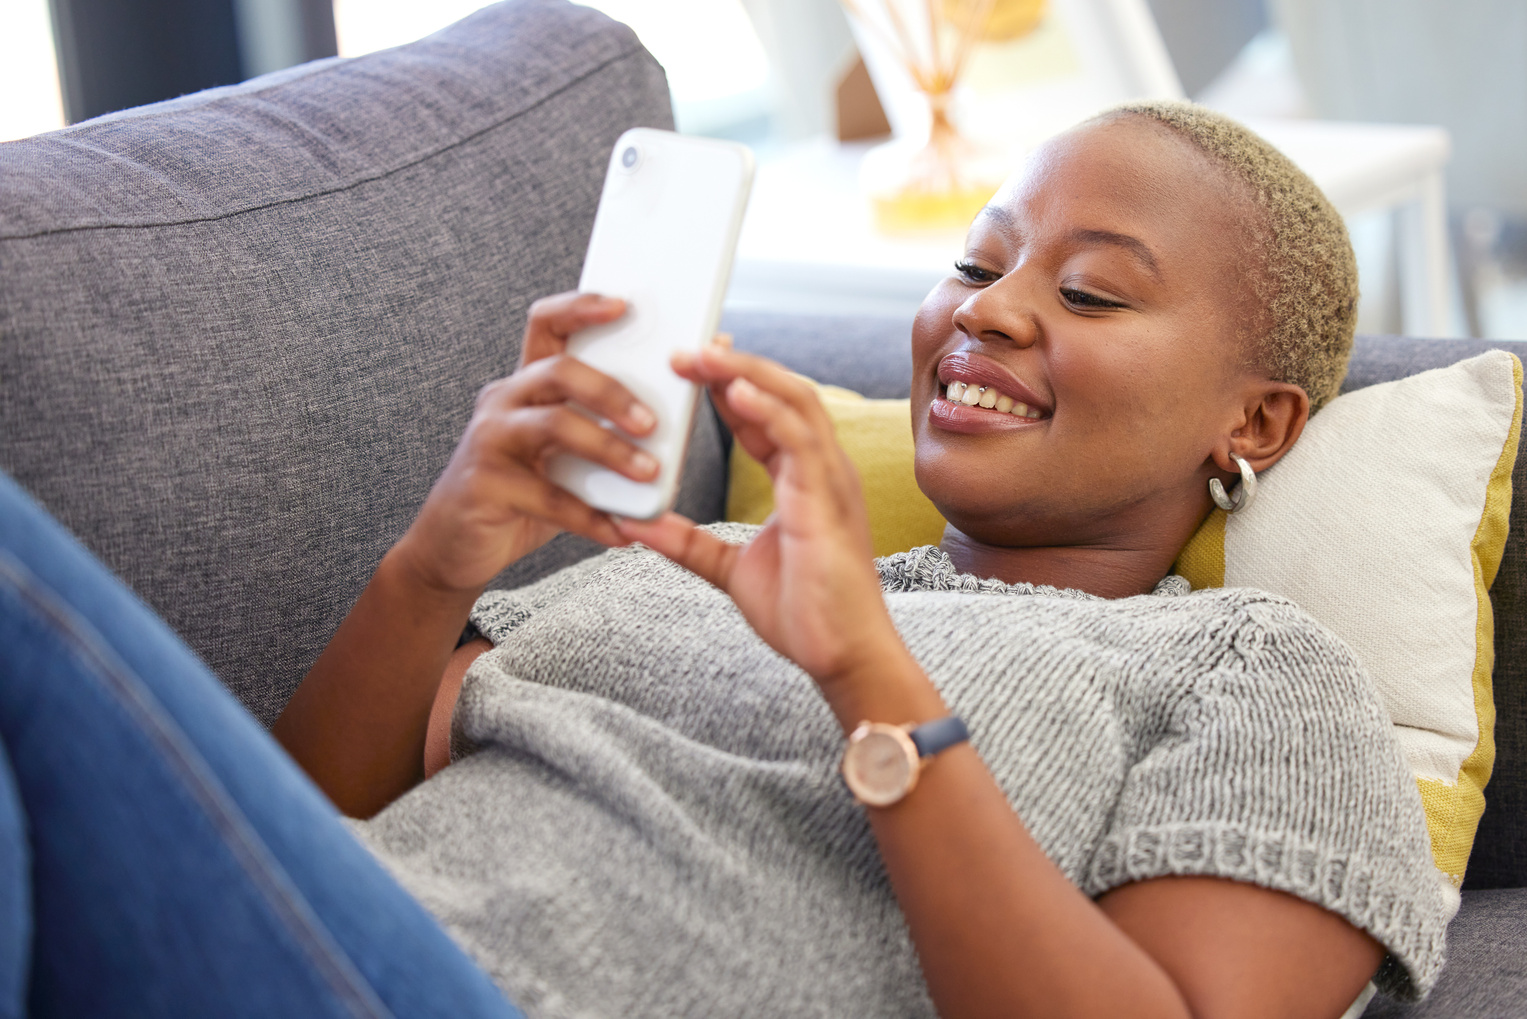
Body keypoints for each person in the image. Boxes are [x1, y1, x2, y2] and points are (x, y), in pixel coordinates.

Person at [0, 101, 1448, 1019]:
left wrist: (862, 668)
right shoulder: (700, 556)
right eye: (972, 267)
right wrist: (436, 564)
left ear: (1256, 419)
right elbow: (295, 830)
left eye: (1085, 291)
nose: (990, 312)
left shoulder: (1255, 671)